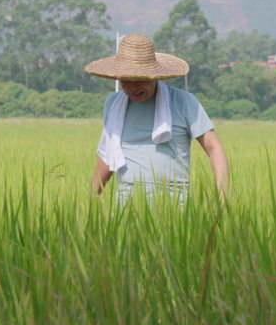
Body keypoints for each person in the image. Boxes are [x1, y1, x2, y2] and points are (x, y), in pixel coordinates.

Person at [85, 32, 228, 202]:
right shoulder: (113, 104)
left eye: (141, 80)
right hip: (125, 208)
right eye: (126, 80)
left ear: (155, 76)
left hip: (174, 209)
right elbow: (109, 155)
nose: (133, 87)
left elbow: (214, 148)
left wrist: (222, 197)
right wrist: (89, 202)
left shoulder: (183, 102)